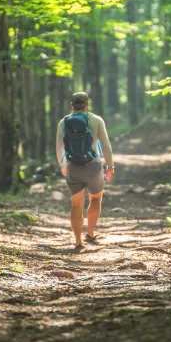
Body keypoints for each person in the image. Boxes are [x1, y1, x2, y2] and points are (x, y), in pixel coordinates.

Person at [56, 92, 115, 250]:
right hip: (93, 166)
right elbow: (106, 145)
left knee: (76, 206)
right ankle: (90, 234)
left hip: (73, 166)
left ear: (72, 105)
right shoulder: (96, 120)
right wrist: (110, 166)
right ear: (87, 104)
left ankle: (78, 242)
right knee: (95, 200)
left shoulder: (64, 122)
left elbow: (59, 146)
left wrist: (63, 165)